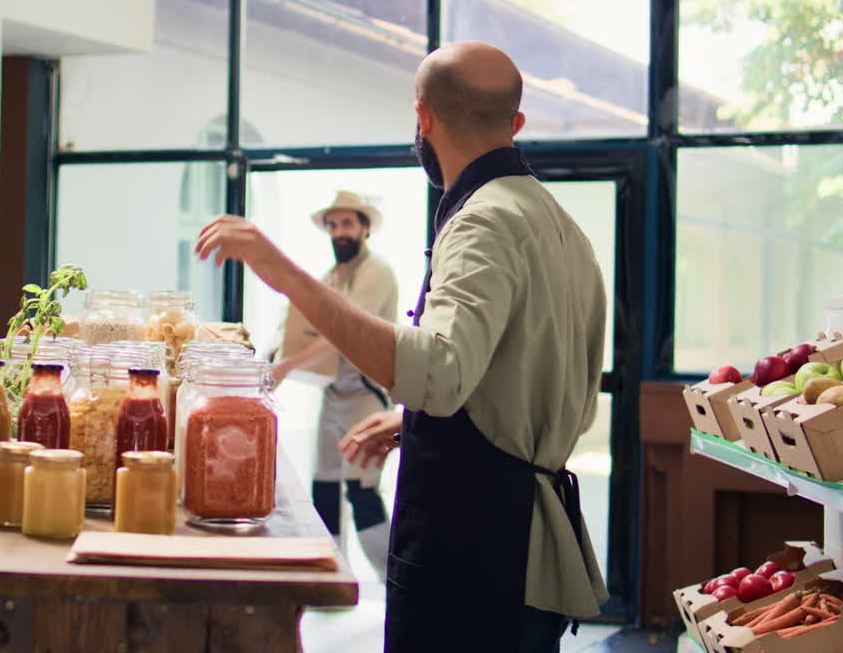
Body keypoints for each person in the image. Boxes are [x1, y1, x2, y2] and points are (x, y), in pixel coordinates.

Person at [195, 42, 608, 653]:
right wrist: (414, 419)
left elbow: (438, 374)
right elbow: (519, 370)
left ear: (423, 118)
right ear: (515, 124)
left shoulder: (482, 221)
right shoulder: (555, 221)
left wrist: (280, 271)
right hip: (519, 555)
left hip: (475, 555)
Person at [272, 191, 398, 582]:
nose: (340, 231)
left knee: (362, 494)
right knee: (324, 490)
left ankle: (396, 582)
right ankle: (329, 578)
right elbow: (299, 326)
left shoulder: (376, 273)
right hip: (333, 395)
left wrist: (286, 367)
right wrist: (274, 356)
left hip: (366, 397)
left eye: (347, 223)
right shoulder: (330, 276)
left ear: (364, 228)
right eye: (333, 224)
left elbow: (343, 333)